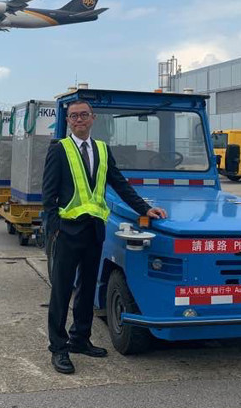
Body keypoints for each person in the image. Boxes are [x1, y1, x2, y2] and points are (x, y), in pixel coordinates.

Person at [42, 100, 167, 374]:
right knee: (62, 292)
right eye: (73, 116)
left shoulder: (101, 149)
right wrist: (52, 230)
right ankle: (59, 348)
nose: (79, 120)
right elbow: (48, 195)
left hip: (95, 230)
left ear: (93, 118)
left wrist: (145, 209)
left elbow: (120, 184)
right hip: (67, 231)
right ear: (68, 121)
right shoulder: (59, 150)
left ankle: (80, 339)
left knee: (88, 288)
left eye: (83, 115)